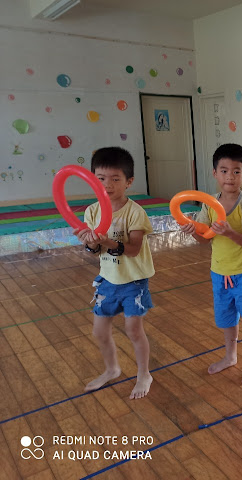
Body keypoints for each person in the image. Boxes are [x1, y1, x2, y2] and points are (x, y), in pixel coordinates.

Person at [180, 144, 242, 384]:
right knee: (227, 318)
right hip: (219, 273)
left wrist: (230, 232)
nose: (230, 176)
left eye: (237, 171)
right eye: (224, 171)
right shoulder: (209, 204)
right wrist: (192, 231)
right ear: (215, 173)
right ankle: (230, 356)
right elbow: (204, 239)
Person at [74, 147, 155, 399]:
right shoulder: (92, 211)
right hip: (108, 280)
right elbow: (94, 251)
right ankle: (112, 369)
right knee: (99, 332)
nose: (107, 185)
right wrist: (89, 243)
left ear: (128, 182)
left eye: (115, 179)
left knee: (133, 330)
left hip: (133, 281)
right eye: (101, 178)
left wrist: (108, 242)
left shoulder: (135, 212)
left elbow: (133, 249)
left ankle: (144, 374)